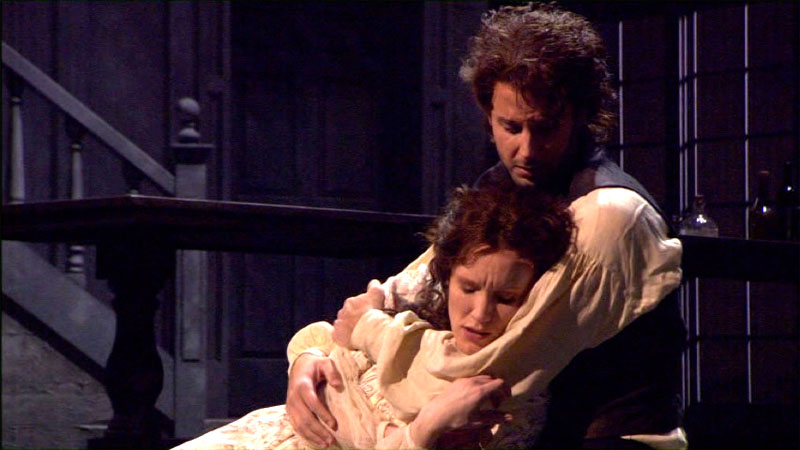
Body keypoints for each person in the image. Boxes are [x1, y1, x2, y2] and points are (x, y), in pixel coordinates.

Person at [286, 2, 688, 449]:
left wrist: (369, 331)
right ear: (487, 114)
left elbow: (485, 373)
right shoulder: (500, 189)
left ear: (580, 117)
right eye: (510, 127)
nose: (526, 150)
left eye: (545, 128)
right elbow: (399, 294)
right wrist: (311, 355)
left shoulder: (611, 215)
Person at [172, 185, 575, 449]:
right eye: (468, 288)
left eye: (506, 298)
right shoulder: (416, 327)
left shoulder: (511, 393)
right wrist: (306, 363)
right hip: (270, 432)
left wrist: (424, 430)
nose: (481, 314)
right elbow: (331, 335)